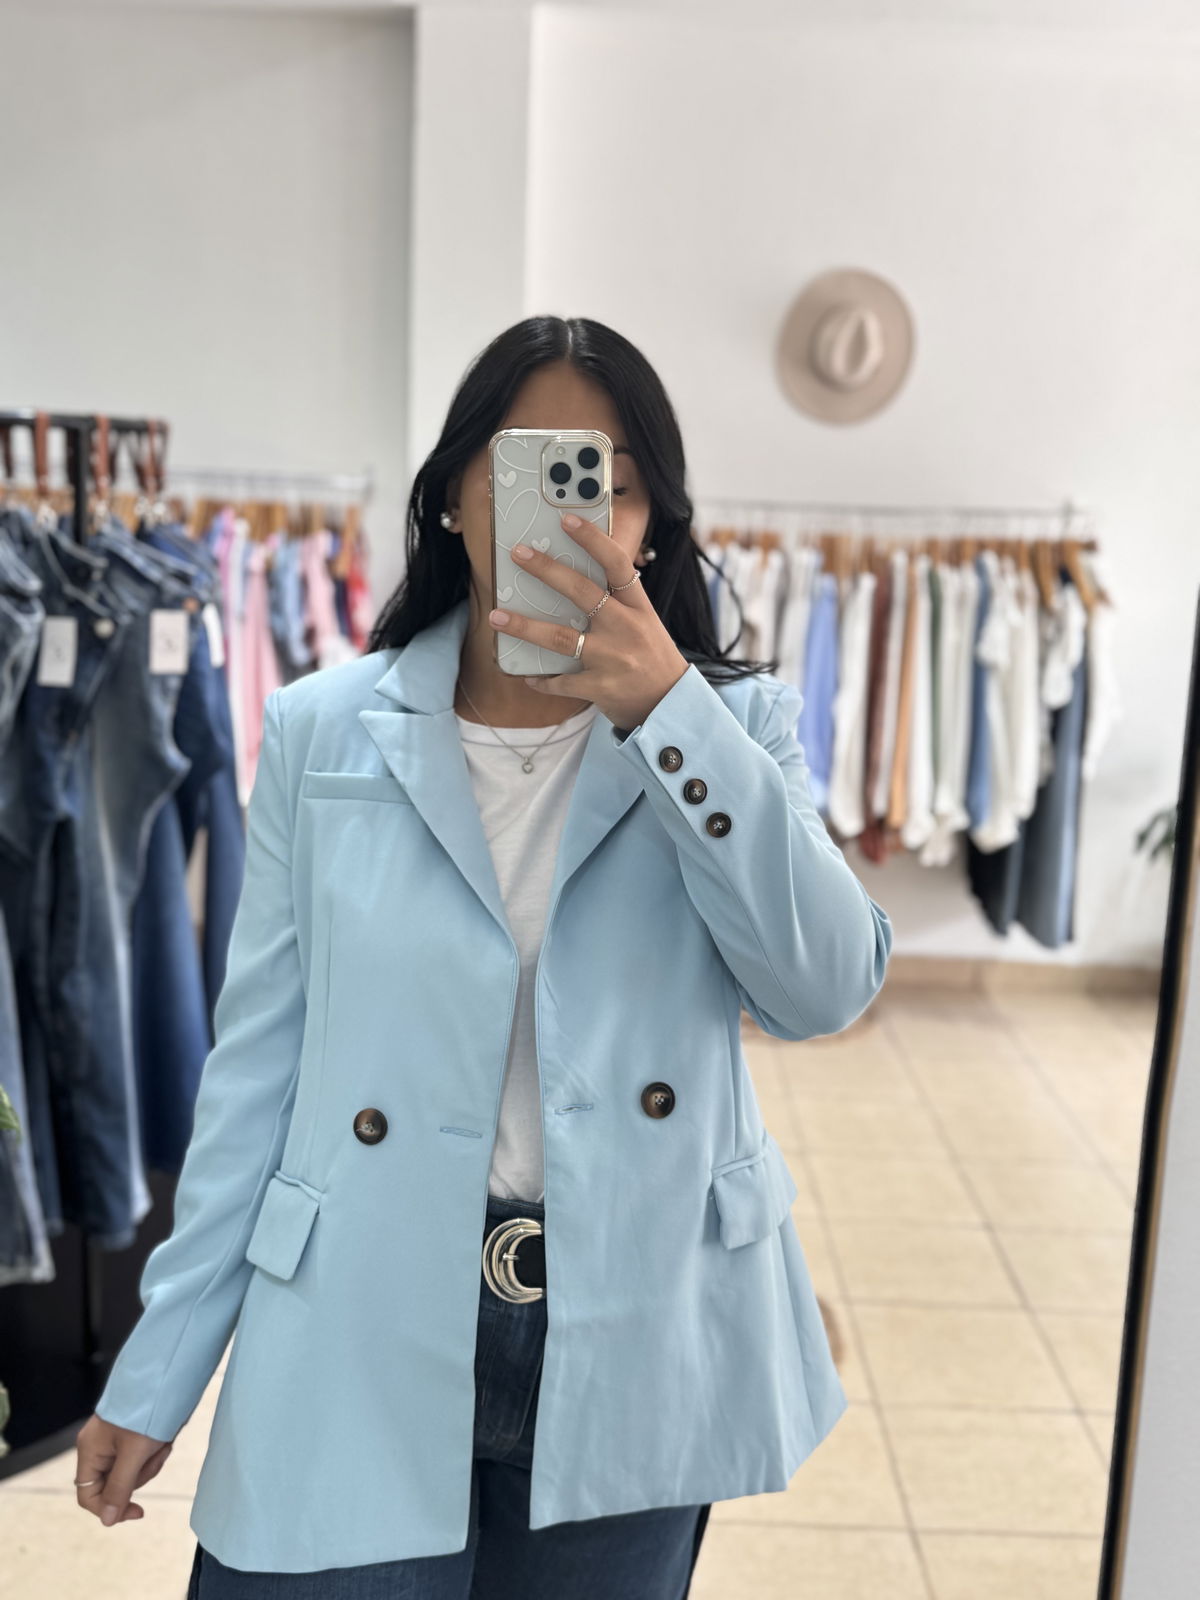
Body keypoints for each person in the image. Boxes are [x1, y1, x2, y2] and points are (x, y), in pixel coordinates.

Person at [73, 316, 894, 1597]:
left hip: (638, 1325)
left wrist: (668, 714)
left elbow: (824, 988)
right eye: (530, 467)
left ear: (651, 525)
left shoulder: (731, 733)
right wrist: (161, 1361)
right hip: (356, 1309)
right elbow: (258, 1077)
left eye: (610, 481)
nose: (571, 511)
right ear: (457, 495)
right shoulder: (323, 731)